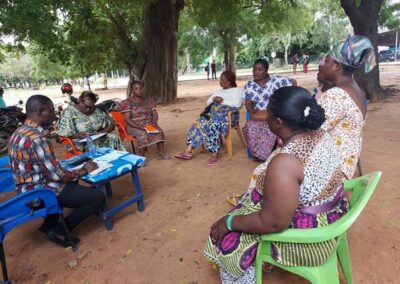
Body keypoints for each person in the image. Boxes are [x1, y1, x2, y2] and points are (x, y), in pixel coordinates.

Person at [204, 86, 348, 283]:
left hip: (312, 241)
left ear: (278, 123)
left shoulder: (285, 164)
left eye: (268, 114)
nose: (265, 115)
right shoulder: (320, 133)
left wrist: (229, 223)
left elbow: (273, 223)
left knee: (226, 240)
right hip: (332, 211)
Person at [8, 95, 105, 247]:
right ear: (41, 112)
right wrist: (84, 170)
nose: (54, 115)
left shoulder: (19, 131)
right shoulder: (38, 139)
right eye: (51, 111)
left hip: (24, 191)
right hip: (38, 194)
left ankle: (49, 224)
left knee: (73, 185)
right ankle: (59, 230)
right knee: (97, 197)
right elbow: (57, 175)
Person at [317, 35, 375, 179]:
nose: (322, 63)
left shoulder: (336, 95)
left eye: (327, 60)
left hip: (331, 171)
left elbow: (313, 130)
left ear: (337, 65)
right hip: (347, 165)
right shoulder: (356, 90)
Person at [174, 71, 243, 165]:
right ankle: (188, 150)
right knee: (199, 123)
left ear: (229, 81)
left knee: (213, 124)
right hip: (214, 116)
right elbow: (208, 102)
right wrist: (215, 99)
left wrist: (222, 101)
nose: (220, 81)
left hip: (228, 117)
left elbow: (237, 104)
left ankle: (215, 154)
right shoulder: (218, 91)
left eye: (222, 79)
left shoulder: (236, 91)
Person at [242, 58, 296, 162]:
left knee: (273, 125)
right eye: (254, 69)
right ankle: (261, 155)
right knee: (251, 126)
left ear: (266, 71)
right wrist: (252, 112)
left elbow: (293, 82)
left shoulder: (275, 80)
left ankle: (272, 154)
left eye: (259, 69)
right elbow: (248, 103)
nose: (256, 72)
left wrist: (286, 99)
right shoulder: (249, 85)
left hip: (274, 113)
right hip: (258, 114)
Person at [56, 91, 126, 152]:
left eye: (91, 107)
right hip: (78, 142)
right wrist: (77, 135)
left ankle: (120, 163)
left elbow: (111, 124)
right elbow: (62, 134)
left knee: (114, 137)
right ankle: (103, 165)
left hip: (97, 138)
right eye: (86, 106)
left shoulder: (96, 110)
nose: (88, 110)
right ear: (80, 101)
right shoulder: (69, 112)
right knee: (94, 144)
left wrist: (101, 132)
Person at [119, 81, 170, 161]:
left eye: (140, 88)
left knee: (159, 132)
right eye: (136, 89)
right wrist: (140, 127)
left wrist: (154, 123)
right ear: (132, 90)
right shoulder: (127, 103)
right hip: (134, 125)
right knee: (142, 135)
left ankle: (161, 153)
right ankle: (142, 158)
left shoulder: (149, 100)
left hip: (148, 124)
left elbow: (155, 114)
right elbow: (127, 119)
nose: (139, 90)